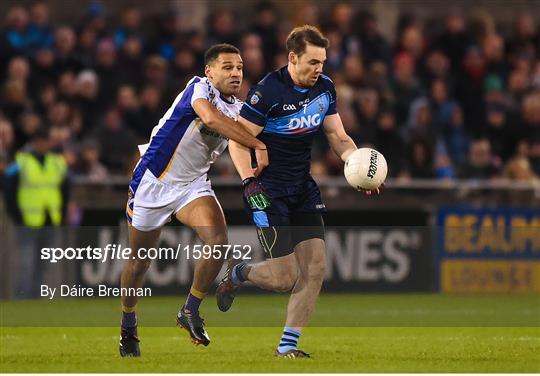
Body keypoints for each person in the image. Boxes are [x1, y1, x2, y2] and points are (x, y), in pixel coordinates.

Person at [216, 25, 380, 358]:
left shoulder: (325, 88)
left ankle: (287, 347)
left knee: (316, 267)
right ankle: (239, 272)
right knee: (283, 277)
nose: (319, 69)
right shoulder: (267, 93)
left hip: (302, 188)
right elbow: (237, 139)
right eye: (312, 62)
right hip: (267, 191)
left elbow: (337, 136)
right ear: (292, 58)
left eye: (322, 62)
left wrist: (357, 166)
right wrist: (249, 182)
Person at [119, 44, 268, 357]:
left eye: (239, 67)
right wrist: (258, 143)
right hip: (153, 181)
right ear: (209, 71)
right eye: (227, 67)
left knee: (218, 241)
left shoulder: (239, 110)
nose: (236, 73)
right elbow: (211, 119)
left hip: (192, 185)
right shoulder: (198, 89)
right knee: (139, 262)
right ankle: (128, 324)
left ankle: (190, 310)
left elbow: (247, 137)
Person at [3, 128, 68, 298]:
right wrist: (15, 213)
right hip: (28, 219)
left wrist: (62, 211)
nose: (44, 144)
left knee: (44, 265)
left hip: (50, 218)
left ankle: (37, 299)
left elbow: (66, 186)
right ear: (35, 142)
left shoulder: (56, 161)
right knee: (26, 264)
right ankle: (22, 297)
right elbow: (7, 184)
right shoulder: (21, 161)